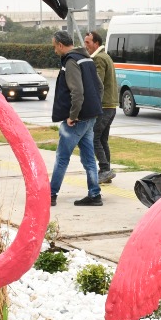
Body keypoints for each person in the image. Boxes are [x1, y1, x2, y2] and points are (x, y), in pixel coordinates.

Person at [48, 29, 103, 206]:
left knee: (62, 157)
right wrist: (93, 107)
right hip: (91, 116)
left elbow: (77, 91)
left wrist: (73, 115)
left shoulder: (71, 61)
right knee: (88, 158)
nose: (54, 50)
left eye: (55, 46)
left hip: (77, 119)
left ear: (60, 45)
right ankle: (94, 194)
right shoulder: (86, 58)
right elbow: (99, 86)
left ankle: (51, 194)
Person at [85, 29, 117, 185]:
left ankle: (104, 170)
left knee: (94, 138)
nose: (86, 46)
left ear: (96, 43)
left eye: (88, 43)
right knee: (103, 139)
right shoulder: (106, 56)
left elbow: (97, 84)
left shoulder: (98, 59)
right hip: (111, 106)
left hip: (103, 106)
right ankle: (107, 172)